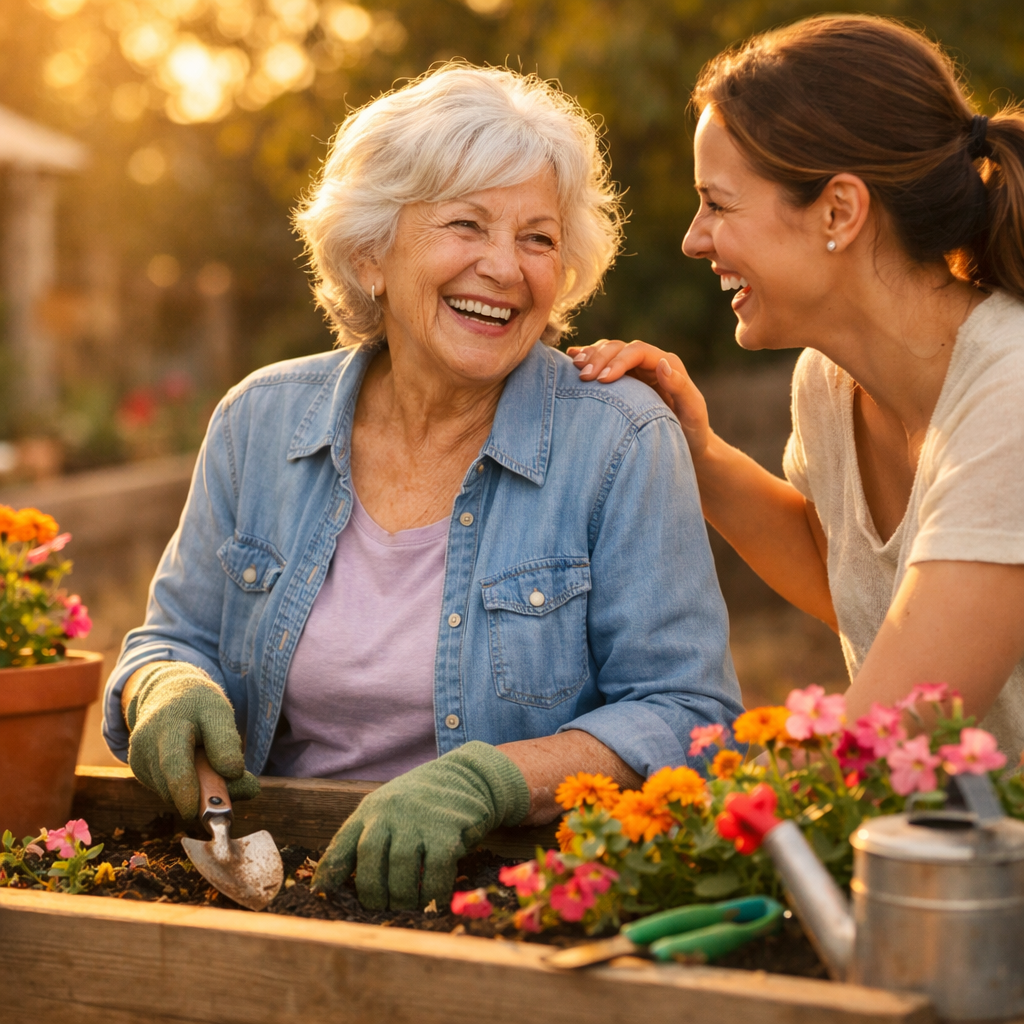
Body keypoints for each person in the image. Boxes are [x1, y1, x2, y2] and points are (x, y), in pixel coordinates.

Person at [102, 64, 743, 911]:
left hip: (518, 894)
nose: (505, 269)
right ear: (372, 254)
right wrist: (166, 687)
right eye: (466, 225)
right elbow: (171, 640)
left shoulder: (619, 438)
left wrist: (494, 780)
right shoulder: (258, 421)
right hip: (279, 879)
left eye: (538, 238)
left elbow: (690, 714)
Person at [571, 16, 1024, 758]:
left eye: (717, 203)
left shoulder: (1010, 392)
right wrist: (699, 451)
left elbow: (881, 741)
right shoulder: (829, 383)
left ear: (839, 211)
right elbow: (846, 575)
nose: (693, 237)